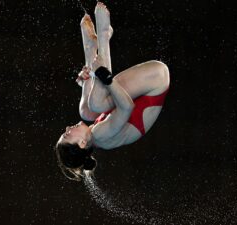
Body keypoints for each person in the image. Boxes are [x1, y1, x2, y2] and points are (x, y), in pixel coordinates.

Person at [55, 2, 170, 181]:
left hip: (143, 86)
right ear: (82, 143)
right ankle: (103, 36)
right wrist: (103, 75)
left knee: (86, 110)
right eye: (67, 135)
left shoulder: (94, 131)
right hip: (156, 80)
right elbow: (126, 107)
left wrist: (87, 79)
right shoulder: (102, 135)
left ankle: (91, 55)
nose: (68, 128)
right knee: (97, 103)